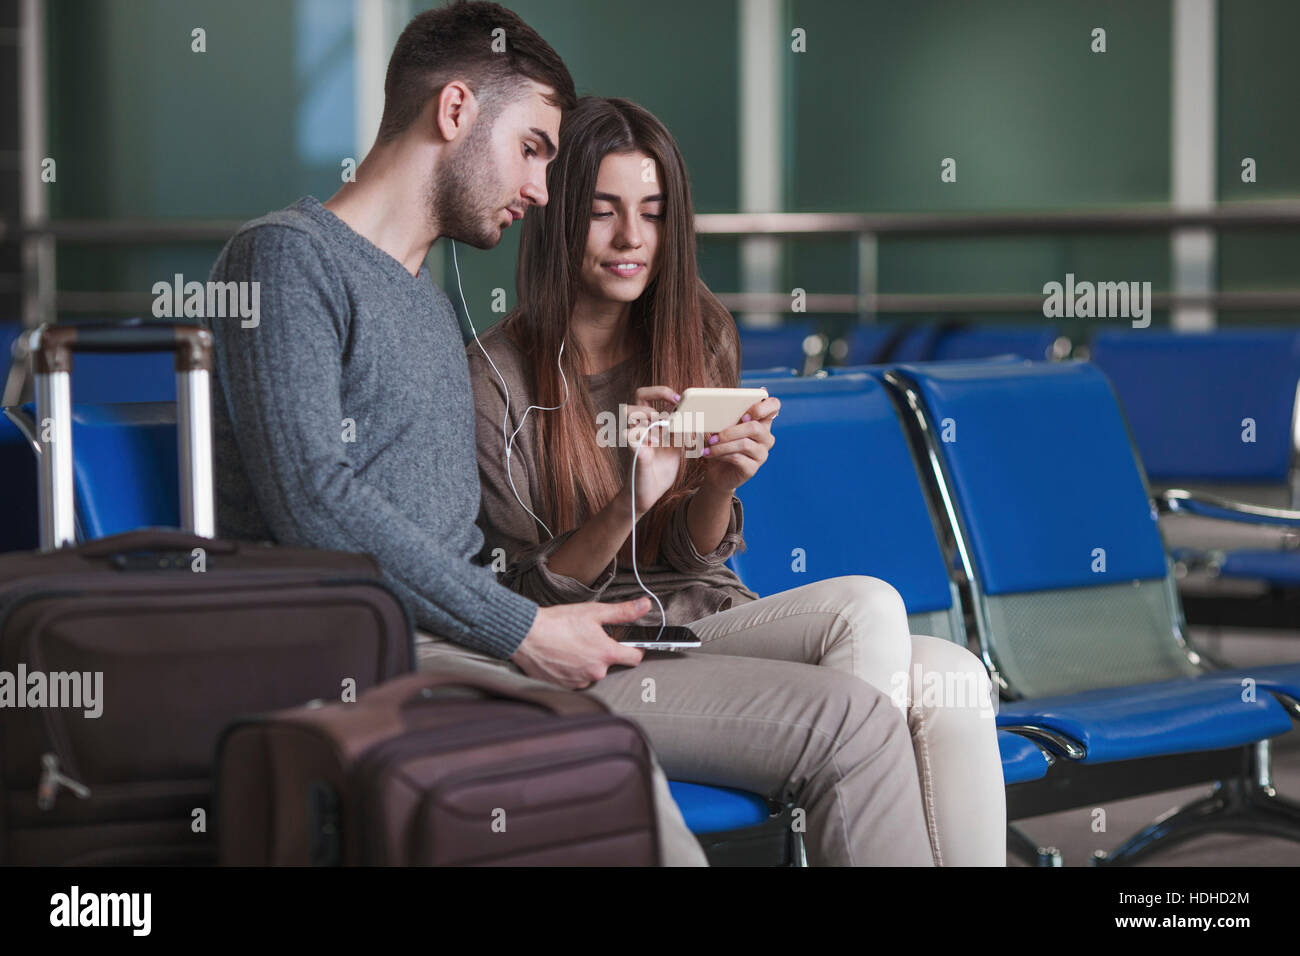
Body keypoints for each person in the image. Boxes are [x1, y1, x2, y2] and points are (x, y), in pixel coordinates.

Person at [206, 0, 934, 866]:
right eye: (533, 149)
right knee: (753, 768)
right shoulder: (286, 257)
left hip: (496, 642)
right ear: (454, 111)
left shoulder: (429, 301)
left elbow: (465, 549)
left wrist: (556, 599)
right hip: (405, 658)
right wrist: (521, 628)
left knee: (858, 716)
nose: (541, 191)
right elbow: (312, 502)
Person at [462, 96, 1007, 866]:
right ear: (556, 219)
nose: (631, 239)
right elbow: (522, 602)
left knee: (954, 680)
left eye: (652, 213)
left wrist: (718, 483)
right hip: (607, 648)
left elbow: (697, 557)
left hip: (701, 619)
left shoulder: (697, 330)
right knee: (867, 607)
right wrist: (628, 501)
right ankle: (828, 810)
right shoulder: (495, 381)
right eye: (603, 213)